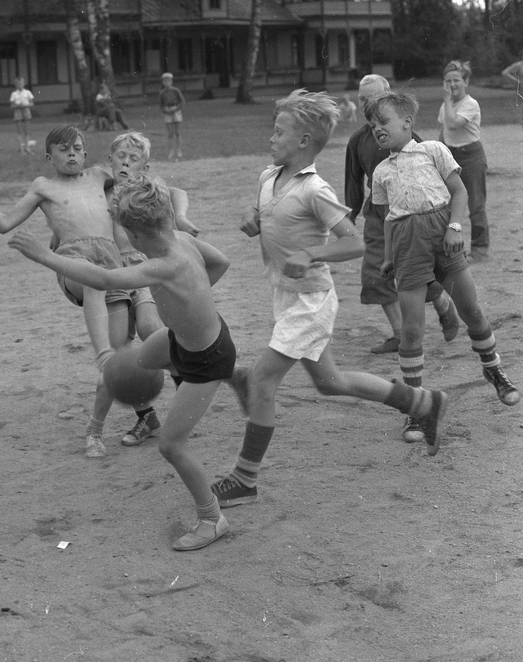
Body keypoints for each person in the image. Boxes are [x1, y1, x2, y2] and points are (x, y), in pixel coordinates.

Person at [211, 91, 449, 511]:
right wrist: (253, 216)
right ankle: (423, 403)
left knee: (262, 381)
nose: (271, 138)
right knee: (330, 382)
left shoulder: (315, 190)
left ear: (304, 141)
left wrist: (311, 253)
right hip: (286, 296)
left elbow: (354, 242)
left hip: (312, 302)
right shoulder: (269, 176)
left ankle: (245, 479)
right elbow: (267, 210)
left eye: (279, 132)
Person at [10, 177, 236, 551]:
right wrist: (192, 299)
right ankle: (117, 419)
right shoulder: (182, 240)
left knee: (171, 446)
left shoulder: (163, 265)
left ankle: (212, 519)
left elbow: (105, 278)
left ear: (135, 235)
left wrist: (43, 255)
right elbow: (221, 262)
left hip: (205, 361)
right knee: (128, 365)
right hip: (183, 339)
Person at [0, 126, 134, 457]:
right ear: (49, 157)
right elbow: (4, 223)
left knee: (117, 365)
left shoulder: (98, 175)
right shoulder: (43, 186)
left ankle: (96, 428)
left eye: (77, 148)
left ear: (86, 153)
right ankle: (101, 354)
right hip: (73, 262)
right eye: (63, 149)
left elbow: (130, 179)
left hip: (111, 264)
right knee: (93, 284)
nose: (72, 153)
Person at [367, 90, 519, 407]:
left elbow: (459, 192)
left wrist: (454, 228)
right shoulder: (380, 172)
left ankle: (493, 370)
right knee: (411, 330)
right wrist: (389, 257)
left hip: (443, 237)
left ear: (408, 122)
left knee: (471, 310)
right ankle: (417, 404)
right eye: (372, 125)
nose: (377, 128)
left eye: (383, 121)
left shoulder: (433, 150)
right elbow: (388, 219)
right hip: (408, 247)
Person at [344, 75, 460, 437]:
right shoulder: (358, 140)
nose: (368, 105)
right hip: (379, 215)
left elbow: (432, 179)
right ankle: (401, 332)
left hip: (416, 220)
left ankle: (440, 301)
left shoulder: (415, 141)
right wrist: (349, 213)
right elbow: (354, 180)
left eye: (374, 98)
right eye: (363, 100)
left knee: (417, 275)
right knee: (377, 275)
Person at [105, 132, 207, 448]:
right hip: (116, 276)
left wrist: (181, 217)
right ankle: (147, 417)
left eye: (133, 158)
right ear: (110, 160)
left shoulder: (145, 190)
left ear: (145, 167)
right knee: (119, 345)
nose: (125, 162)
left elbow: (178, 192)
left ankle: (184, 400)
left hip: (145, 271)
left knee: (151, 330)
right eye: (120, 156)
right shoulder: (102, 189)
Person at [437, 60, 489, 260]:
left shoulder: (470, 104)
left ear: (466, 82)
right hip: (451, 155)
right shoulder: (446, 105)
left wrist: (447, 99)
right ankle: (450, 248)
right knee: (446, 203)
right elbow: (444, 130)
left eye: (456, 80)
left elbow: (452, 124)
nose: (452, 84)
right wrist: (438, 152)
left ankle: (479, 248)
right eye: (448, 80)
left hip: (471, 155)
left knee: (476, 204)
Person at [159, 72, 185, 160]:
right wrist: (165, 109)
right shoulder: (162, 93)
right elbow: (161, 105)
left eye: (168, 81)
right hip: (167, 113)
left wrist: (176, 108)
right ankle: (171, 151)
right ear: (163, 82)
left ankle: (179, 151)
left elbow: (182, 101)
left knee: (177, 132)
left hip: (176, 112)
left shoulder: (176, 90)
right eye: (164, 81)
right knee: (170, 133)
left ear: (171, 81)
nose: (166, 83)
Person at [9, 76, 36, 154]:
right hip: (18, 111)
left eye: (21, 83)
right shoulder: (14, 94)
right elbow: (12, 105)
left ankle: (27, 148)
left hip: (26, 110)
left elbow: (32, 103)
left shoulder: (27, 93)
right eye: (18, 84)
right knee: (19, 131)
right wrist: (17, 105)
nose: (19, 85)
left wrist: (26, 105)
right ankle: (21, 149)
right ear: (15, 85)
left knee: (27, 131)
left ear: (23, 84)